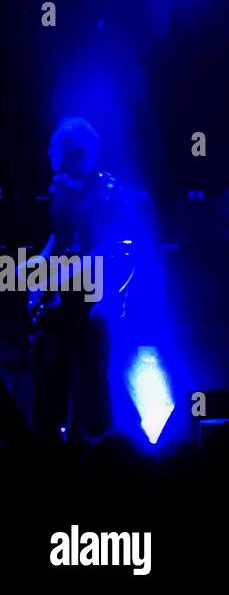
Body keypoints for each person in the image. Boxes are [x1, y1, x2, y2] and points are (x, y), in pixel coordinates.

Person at [31, 117, 118, 440]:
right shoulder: (62, 190)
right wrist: (35, 274)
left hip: (92, 304)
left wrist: (54, 279)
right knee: (49, 388)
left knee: (91, 393)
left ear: (83, 153)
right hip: (61, 302)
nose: (58, 159)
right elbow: (60, 239)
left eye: (66, 153)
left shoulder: (104, 193)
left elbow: (104, 250)